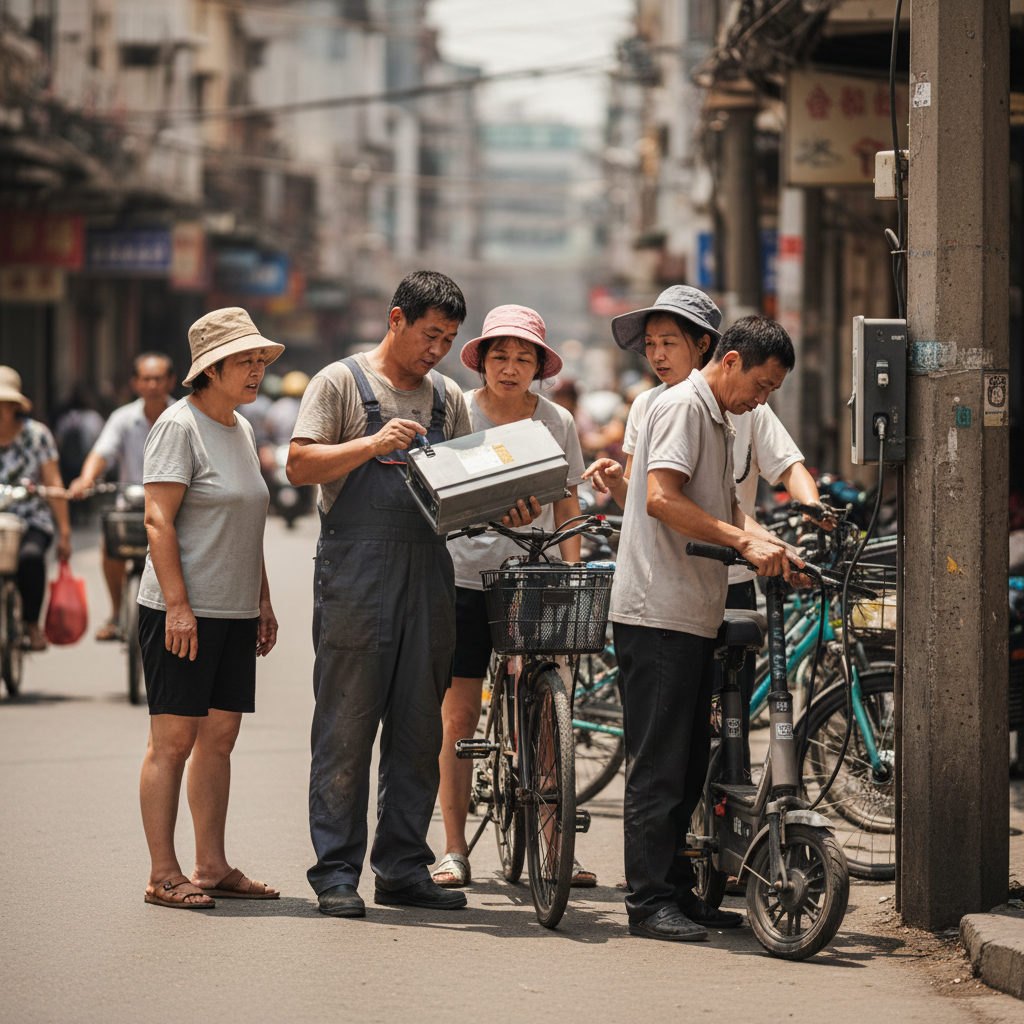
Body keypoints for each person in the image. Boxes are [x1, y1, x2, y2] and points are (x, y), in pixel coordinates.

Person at [287, 271, 540, 919]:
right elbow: (298, 465)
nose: (437, 350)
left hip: (429, 572)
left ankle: (402, 867)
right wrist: (371, 443)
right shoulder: (340, 383)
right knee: (346, 725)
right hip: (355, 576)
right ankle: (336, 872)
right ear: (396, 319)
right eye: (430, 335)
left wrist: (504, 510)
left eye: (449, 339)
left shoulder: (448, 400)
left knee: (416, 726)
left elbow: (461, 494)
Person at [609, 315, 803, 942]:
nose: (761, 398)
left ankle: (677, 891)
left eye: (772, 392)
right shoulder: (684, 407)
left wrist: (767, 542)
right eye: (762, 384)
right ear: (731, 360)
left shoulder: (721, 418)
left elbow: (729, 509)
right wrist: (744, 539)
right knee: (659, 763)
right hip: (656, 609)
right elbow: (661, 498)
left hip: (695, 611)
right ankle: (647, 903)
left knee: (691, 761)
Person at [431, 304, 596, 890]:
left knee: (548, 712)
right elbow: (442, 486)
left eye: (523, 357)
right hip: (466, 578)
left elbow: (569, 501)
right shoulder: (456, 413)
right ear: (482, 361)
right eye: (500, 355)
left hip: (534, 578)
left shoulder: (557, 421)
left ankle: (557, 843)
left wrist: (572, 577)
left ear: (539, 366)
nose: (510, 366)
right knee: (459, 713)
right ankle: (453, 849)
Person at [137, 307, 283, 909]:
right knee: (172, 740)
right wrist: (177, 606)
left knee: (219, 737)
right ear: (211, 368)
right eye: (246, 361)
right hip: (182, 610)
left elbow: (248, 521)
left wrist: (264, 598)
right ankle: (161, 873)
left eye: (258, 361)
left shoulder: (242, 429)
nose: (257, 371)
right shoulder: (179, 425)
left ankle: (211, 863)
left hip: (235, 610)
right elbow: (157, 519)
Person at [67, 353, 176, 640]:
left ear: (171, 381)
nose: (152, 385)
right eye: (146, 379)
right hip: (130, 508)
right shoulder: (123, 418)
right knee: (109, 548)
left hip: (175, 510)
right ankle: (116, 615)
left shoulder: (183, 416)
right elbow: (102, 452)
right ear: (135, 383)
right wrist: (86, 478)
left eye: (158, 378)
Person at [0, 367, 72, 651]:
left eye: (5, 404)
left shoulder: (37, 434)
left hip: (32, 518)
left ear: (15, 406)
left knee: (30, 559)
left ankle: (31, 623)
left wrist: (64, 532)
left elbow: (53, 481)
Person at [263, 371, 309, 448]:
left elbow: (268, 429)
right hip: (299, 448)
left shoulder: (277, 406)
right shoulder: (307, 406)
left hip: (279, 447)